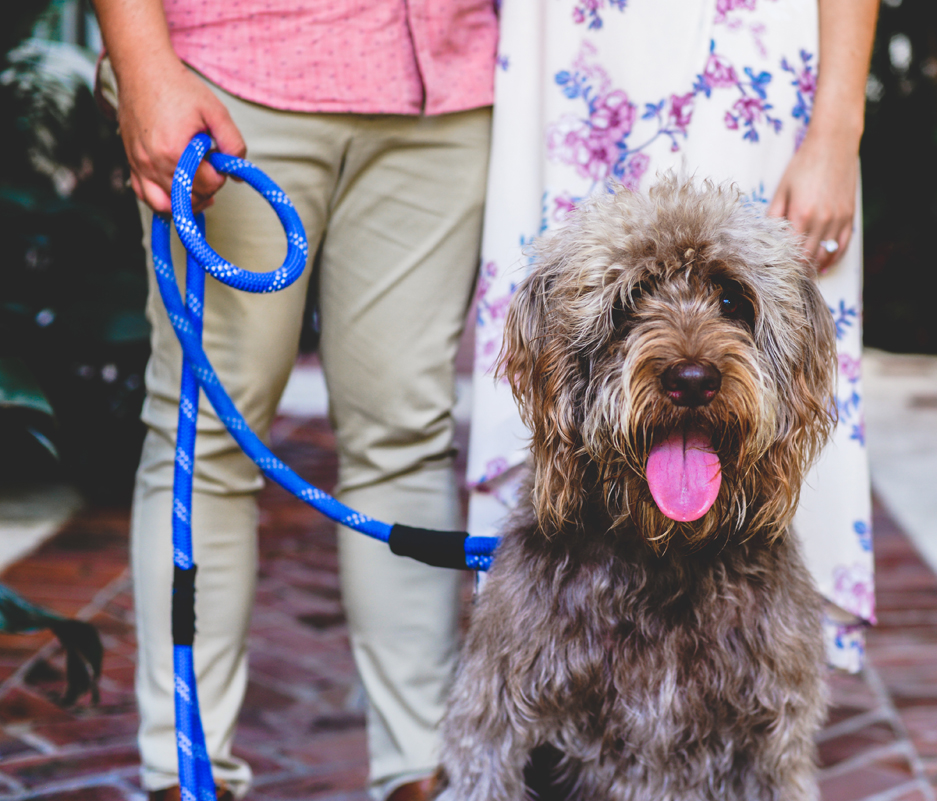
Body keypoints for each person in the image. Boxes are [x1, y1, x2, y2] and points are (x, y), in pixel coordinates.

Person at [90, 1, 496, 798]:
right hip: (236, 71)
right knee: (205, 436)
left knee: (409, 430)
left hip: (444, 82)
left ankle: (424, 770)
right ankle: (187, 773)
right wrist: (142, 64)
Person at [468, 0, 879, 671]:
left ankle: (757, 661)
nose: (688, 358)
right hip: (577, 56)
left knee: (766, 327)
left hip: (753, 64)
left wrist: (836, 130)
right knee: (583, 333)